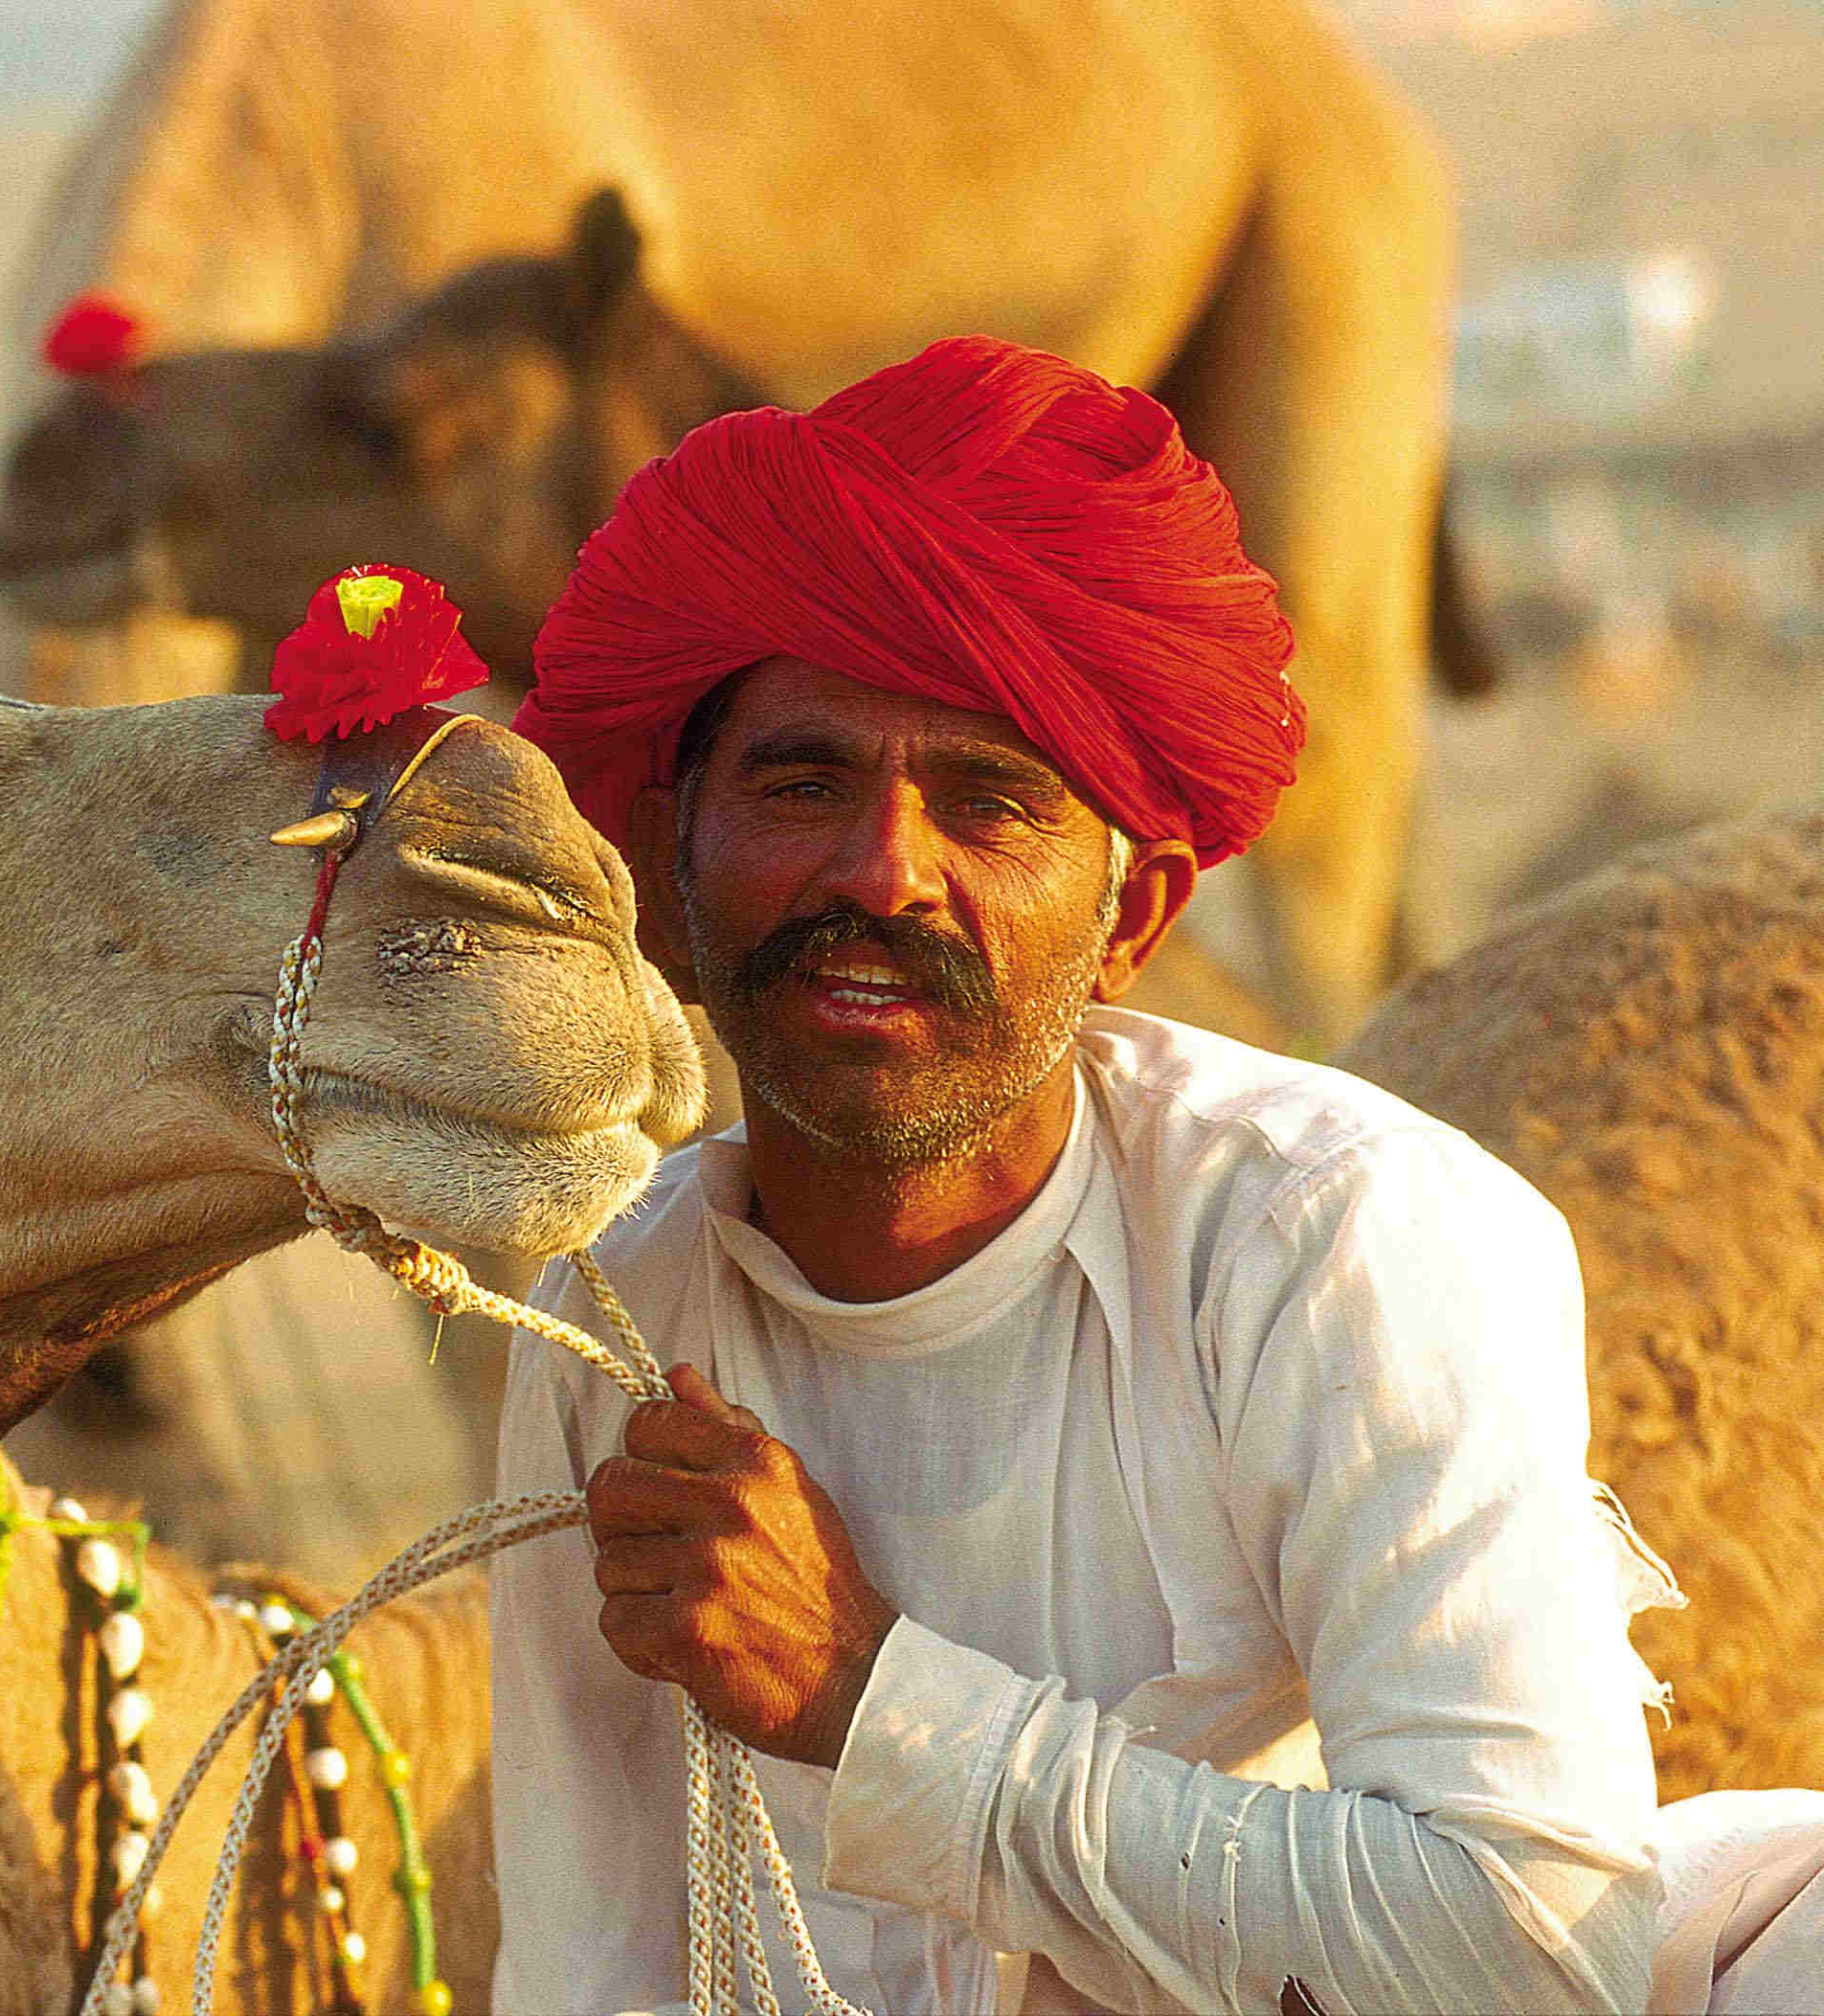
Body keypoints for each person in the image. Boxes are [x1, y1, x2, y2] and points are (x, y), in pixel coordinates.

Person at [489, 337, 1678, 2014]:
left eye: (986, 801)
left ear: (1132, 920)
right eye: (802, 781)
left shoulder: (1335, 1242)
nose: (885, 868)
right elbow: (588, 1957)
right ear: (669, 890)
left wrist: (872, 1696)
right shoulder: (614, 1318)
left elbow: (1537, 1954)